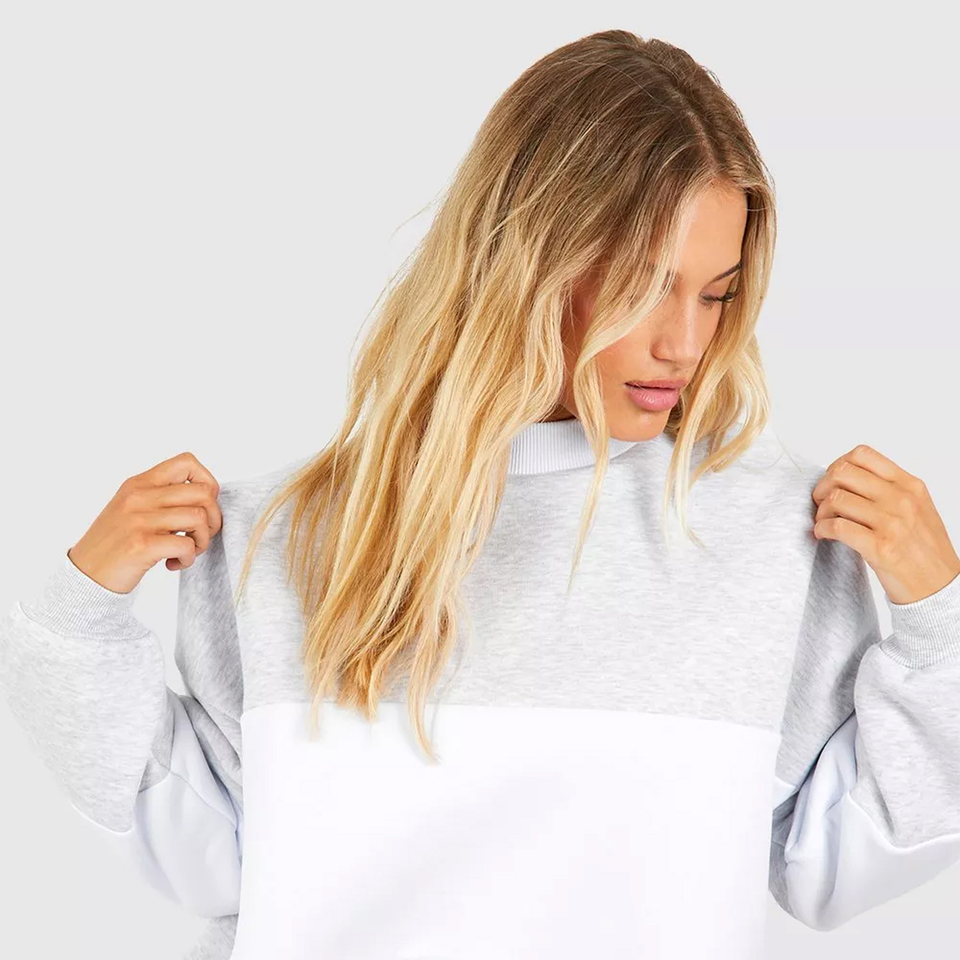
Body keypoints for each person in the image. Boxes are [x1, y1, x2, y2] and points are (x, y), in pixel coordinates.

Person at [3, 27, 960, 960]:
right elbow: (208, 861)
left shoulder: (775, 537)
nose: (684, 342)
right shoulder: (287, 535)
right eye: (644, 285)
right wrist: (76, 622)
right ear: (527, 260)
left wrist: (941, 625)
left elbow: (839, 867)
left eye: (716, 294)